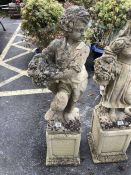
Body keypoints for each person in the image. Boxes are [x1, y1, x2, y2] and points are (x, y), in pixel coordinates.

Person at [28, 6, 90, 123]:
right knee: (60, 102)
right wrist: (37, 65)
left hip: (76, 80)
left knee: (72, 102)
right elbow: (44, 55)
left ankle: (69, 111)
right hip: (61, 81)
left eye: (84, 29)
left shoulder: (84, 49)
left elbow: (71, 72)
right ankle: (57, 110)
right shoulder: (56, 44)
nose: (83, 33)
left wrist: (47, 74)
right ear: (68, 29)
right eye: (79, 30)